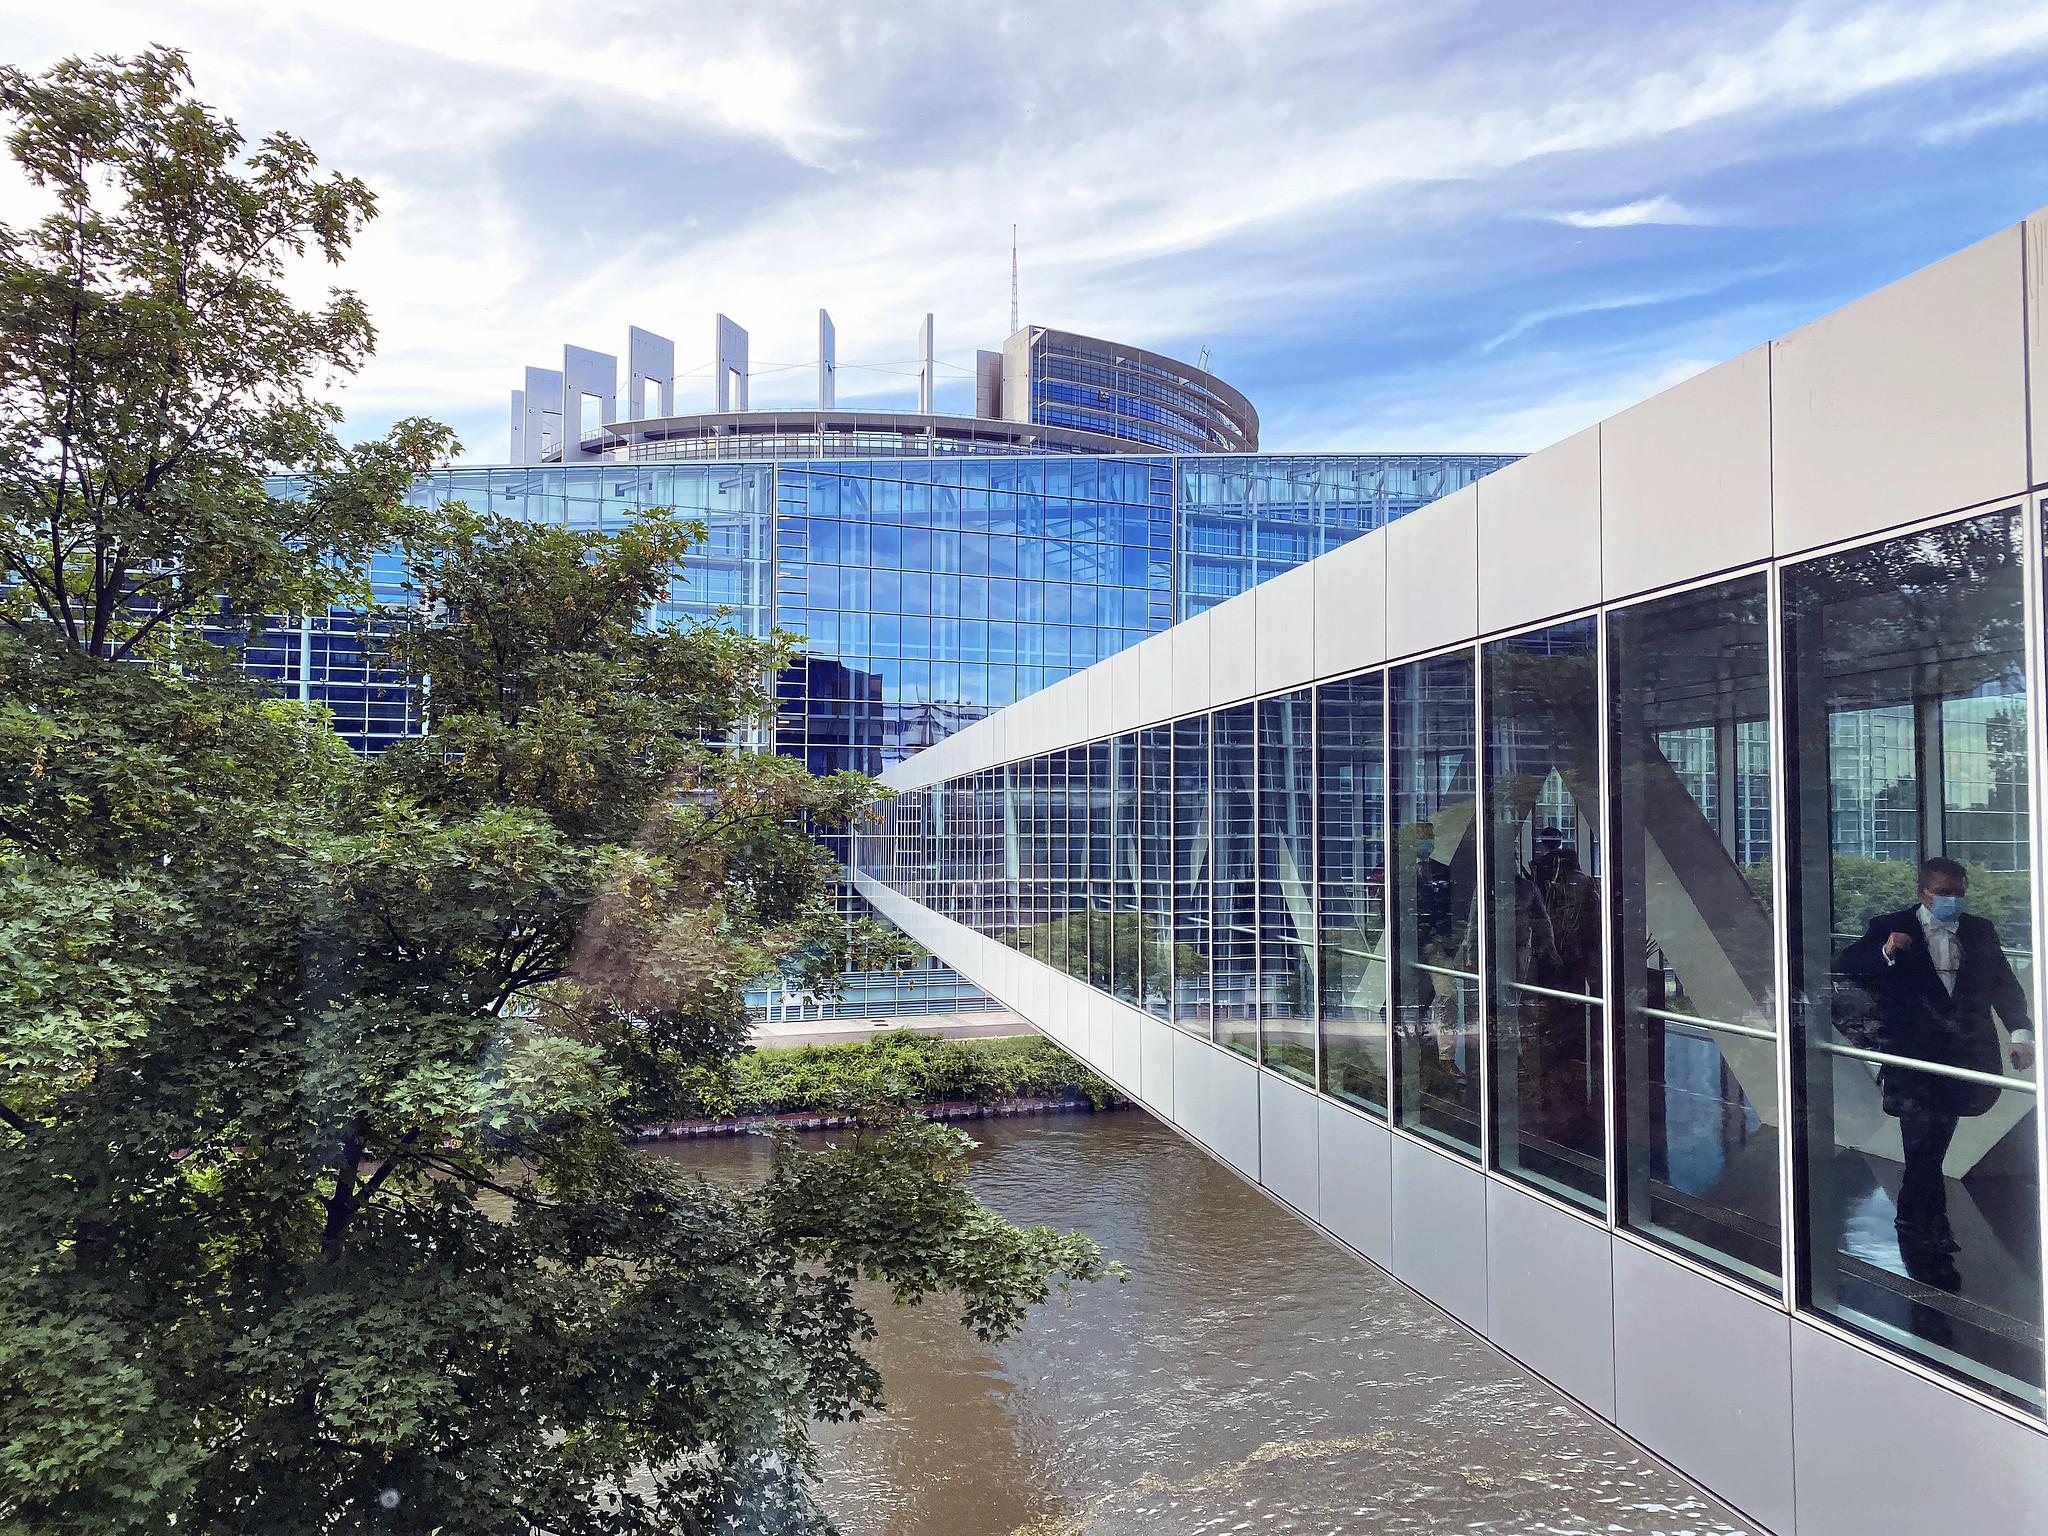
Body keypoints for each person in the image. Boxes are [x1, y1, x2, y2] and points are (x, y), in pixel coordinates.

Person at [1834, 857, 2036, 1290]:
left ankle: (1915, 1219)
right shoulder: (1889, 924)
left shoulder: (1979, 930)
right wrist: (1886, 951)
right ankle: (1927, 1231)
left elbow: (2003, 984)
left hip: (1965, 1056)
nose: (1952, 901)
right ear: (1924, 891)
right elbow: (1848, 963)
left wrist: (2020, 1033)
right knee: (1925, 1142)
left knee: (1929, 1144)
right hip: (1915, 1057)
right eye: (1943, 893)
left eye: (1958, 893)